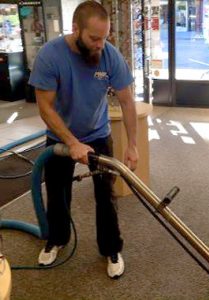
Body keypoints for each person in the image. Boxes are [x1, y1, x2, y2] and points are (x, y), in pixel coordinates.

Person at [29, 1, 138, 279]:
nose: (100, 44)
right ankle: (57, 238)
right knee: (57, 192)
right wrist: (72, 142)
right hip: (59, 137)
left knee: (106, 194)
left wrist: (133, 145)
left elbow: (126, 101)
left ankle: (111, 248)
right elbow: (45, 107)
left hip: (99, 135)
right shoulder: (51, 56)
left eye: (105, 37)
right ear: (75, 29)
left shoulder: (109, 56)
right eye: (94, 38)